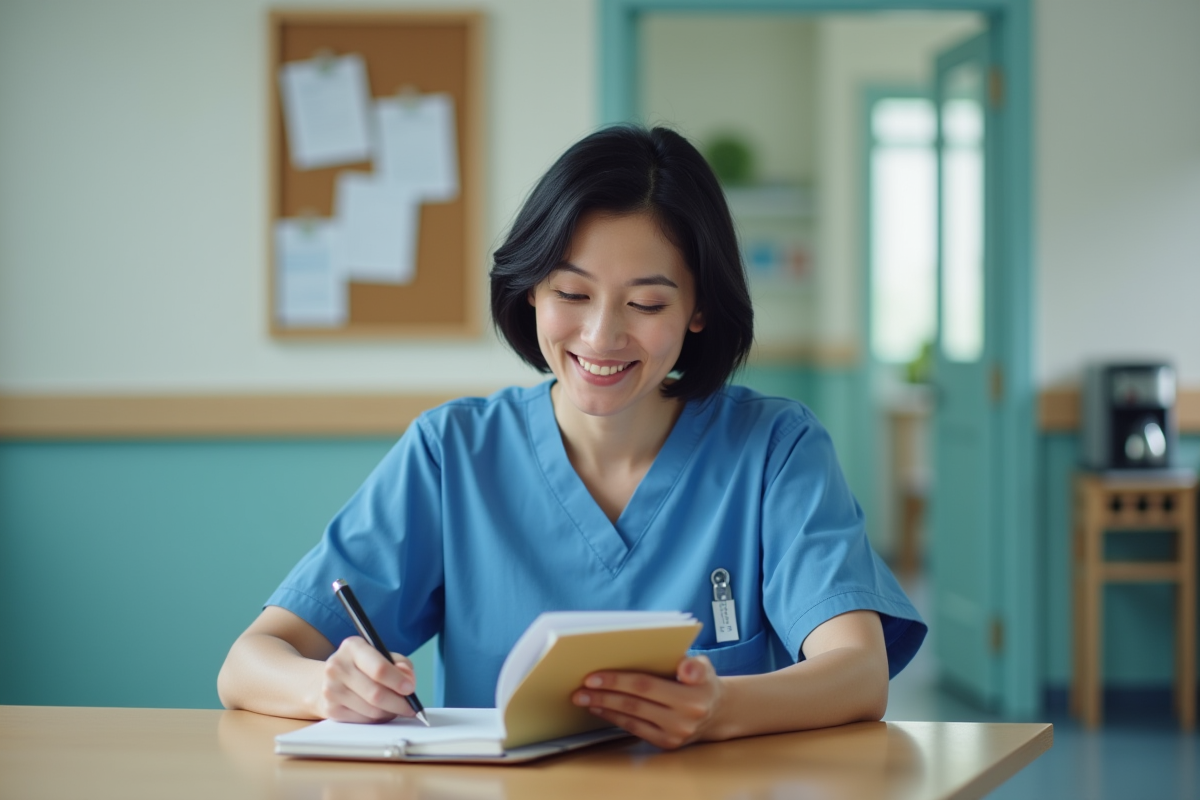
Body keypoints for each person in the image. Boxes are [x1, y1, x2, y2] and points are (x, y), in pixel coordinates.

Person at [218, 125, 926, 750]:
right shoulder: (452, 452)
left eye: (646, 303)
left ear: (700, 308)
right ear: (530, 290)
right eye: (571, 293)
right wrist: (328, 690)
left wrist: (719, 707)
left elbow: (858, 673)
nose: (601, 336)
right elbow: (250, 661)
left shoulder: (774, 448)